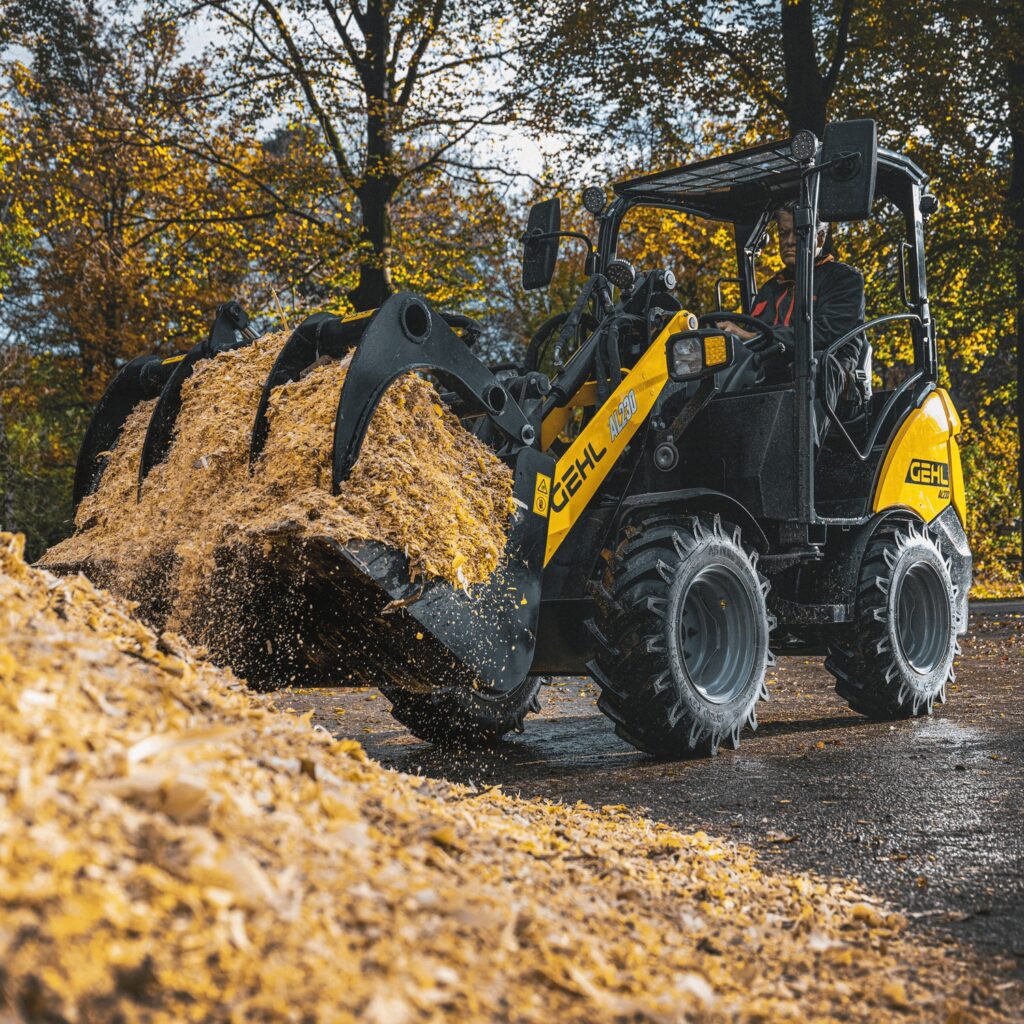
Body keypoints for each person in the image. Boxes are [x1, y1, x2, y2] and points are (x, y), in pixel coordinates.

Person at [717, 200, 868, 418]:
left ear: (820, 238)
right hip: (772, 375)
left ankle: (804, 449)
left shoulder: (844, 280)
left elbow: (826, 334)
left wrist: (755, 337)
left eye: (797, 233)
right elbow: (747, 338)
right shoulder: (770, 288)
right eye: (783, 233)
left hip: (831, 383)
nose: (788, 242)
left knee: (814, 363)